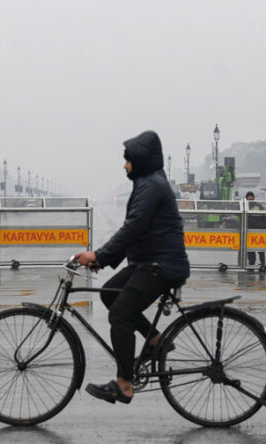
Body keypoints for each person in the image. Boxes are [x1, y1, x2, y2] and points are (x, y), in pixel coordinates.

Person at [74, 130, 190, 405]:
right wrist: (102, 259)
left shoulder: (150, 186)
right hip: (151, 261)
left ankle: (124, 384)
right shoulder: (148, 182)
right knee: (109, 293)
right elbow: (136, 231)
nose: (124, 165)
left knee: (120, 315)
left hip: (161, 265)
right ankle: (156, 341)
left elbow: (133, 227)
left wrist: (99, 255)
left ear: (140, 160)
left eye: (128, 160)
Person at [246, 191, 266, 268]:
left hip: (259, 230)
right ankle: (251, 264)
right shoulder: (245, 205)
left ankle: (262, 263)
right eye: (249, 196)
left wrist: (264, 227)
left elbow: (264, 216)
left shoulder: (258, 205)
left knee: (261, 249)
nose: (250, 197)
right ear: (246, 197)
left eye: (251, 196)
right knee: (250, 249)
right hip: (249, 231)